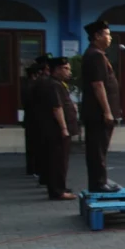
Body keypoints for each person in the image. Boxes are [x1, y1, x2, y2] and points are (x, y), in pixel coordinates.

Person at [80, 20, 121, 193]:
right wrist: (107, 111)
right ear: (97, 36)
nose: (110, 38)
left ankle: (100, 181)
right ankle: (98, 183)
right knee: (97, 150)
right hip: (97, 113)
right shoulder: (95, 55)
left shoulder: (96, 54)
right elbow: (98, 85)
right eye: (107, 34)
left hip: (97, 113)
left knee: (99, 149)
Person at [43, 57, 79, 201]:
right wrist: (64, 128)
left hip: (58, 130)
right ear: (57, 70)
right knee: (59, 161)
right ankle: (58, 191)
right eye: (66, 68)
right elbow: (57, 108)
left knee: (60, 160)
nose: (69, 72)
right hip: (57, 130)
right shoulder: (54, 85)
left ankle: (60, 187)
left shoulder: (58, 83)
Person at [28, 56, 52, 188]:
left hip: (40, 120)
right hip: (42, 121)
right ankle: (43, 175)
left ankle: (42, 174)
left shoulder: (42, 82)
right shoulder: (43, 83)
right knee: (44, 152)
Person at [22, 62, 41, 177]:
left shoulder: (28, 84)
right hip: (33, 119)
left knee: (31, 145)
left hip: (30, 118)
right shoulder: (31, 86)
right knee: (33, 145)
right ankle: (33, 168)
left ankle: (32, 167)